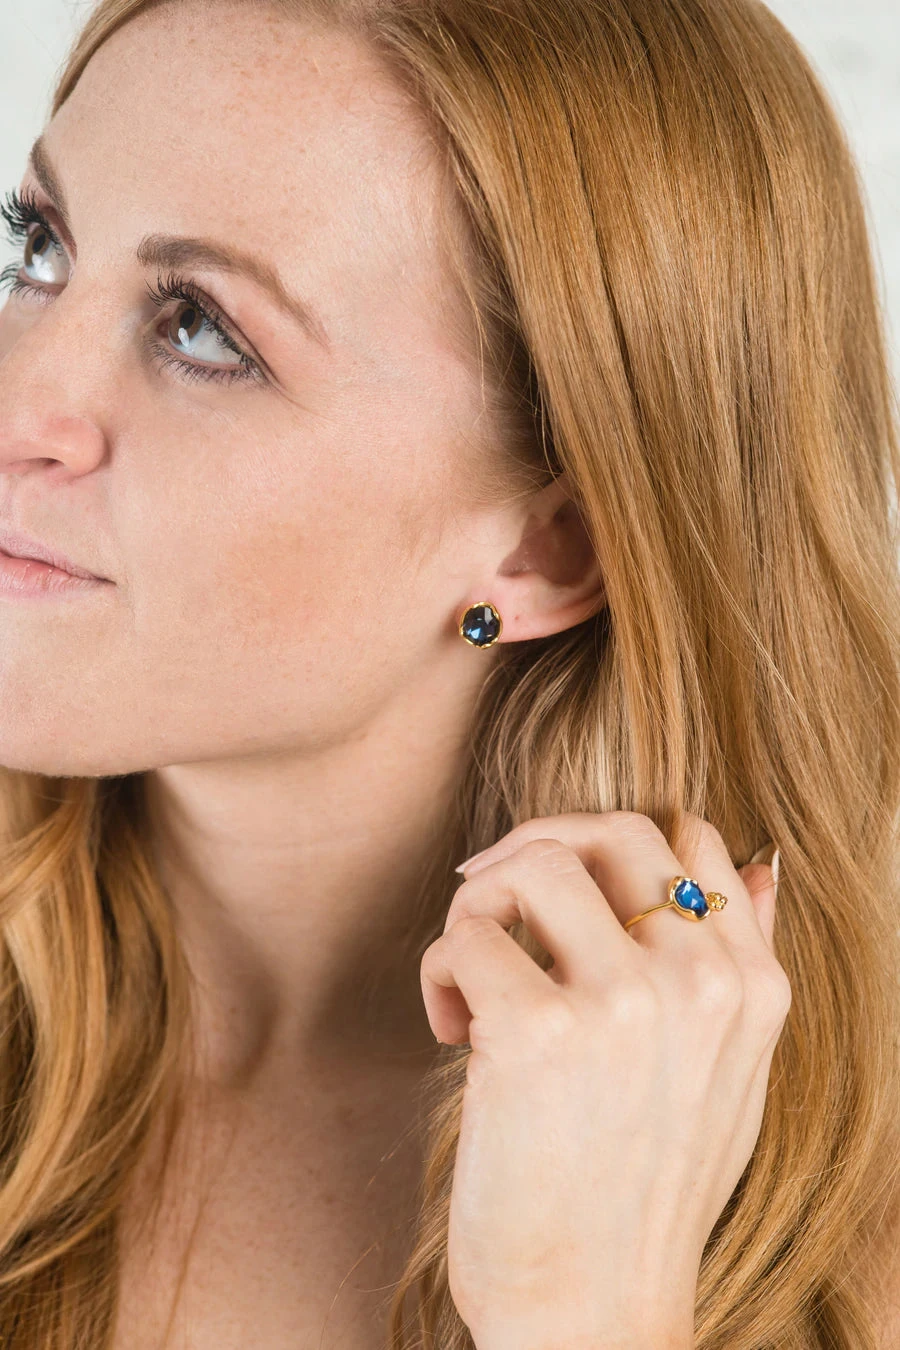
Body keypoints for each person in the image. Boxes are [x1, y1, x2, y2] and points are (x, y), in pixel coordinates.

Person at [0, 0, 898, 1346]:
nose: (18, 401)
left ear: (549, 546)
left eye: (201, 328)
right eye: (38, 247)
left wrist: (588, 1315)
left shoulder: (854, 1232)